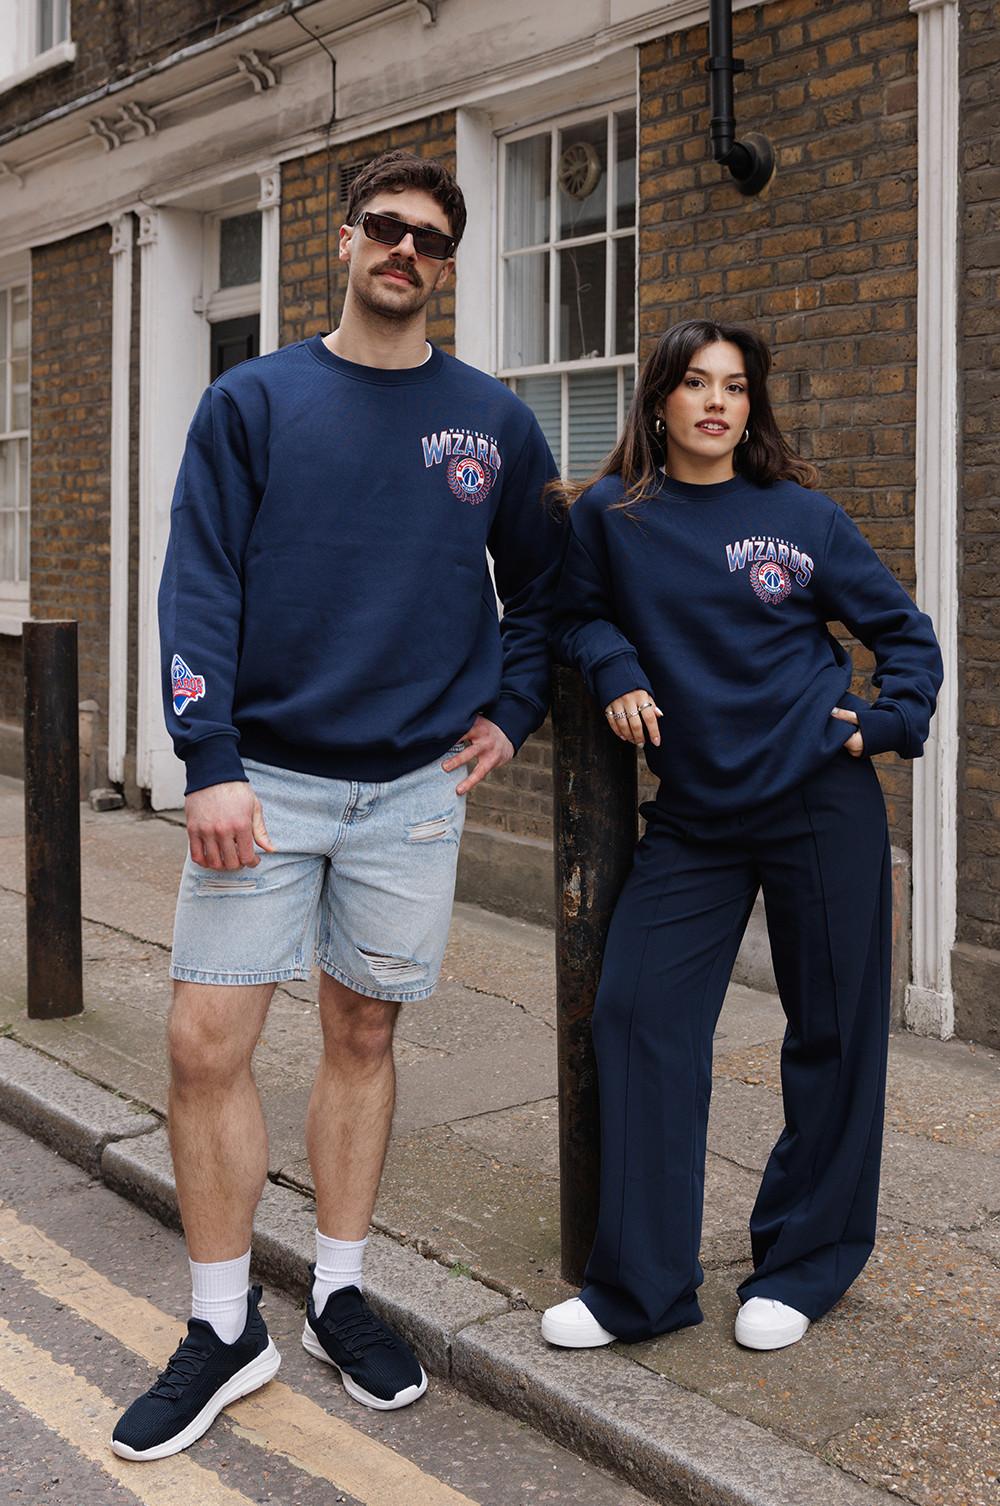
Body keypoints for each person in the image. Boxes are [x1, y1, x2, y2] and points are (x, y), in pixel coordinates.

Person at [112, 150, 564, 1461]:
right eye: (386, 226)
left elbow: (543, 585)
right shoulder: (254, 400)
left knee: (364, 1032)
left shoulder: (491, 421)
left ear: (447, 264)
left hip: (413, 787)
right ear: (345, 239)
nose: (405, 249)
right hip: (265, 781)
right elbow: (197, 580)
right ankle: (219, 1323)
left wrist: (514, 708)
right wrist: (207, 758)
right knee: (206, 1041)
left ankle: (341, 1289)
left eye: (430, 236)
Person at [541, 320, 942, 1355]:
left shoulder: (799, 515)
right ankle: (640, 1288)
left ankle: (803, 1267)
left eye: (735, 387)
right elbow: (573, 616)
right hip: (696, 819)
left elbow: (901, 634)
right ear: (660, 402)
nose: (716, 403)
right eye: (694, 384)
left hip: (819, 800)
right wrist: (615, 665)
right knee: (634, 1016)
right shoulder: (612, 518)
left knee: (835, 1035)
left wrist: (889, 721)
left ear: (751, 406)